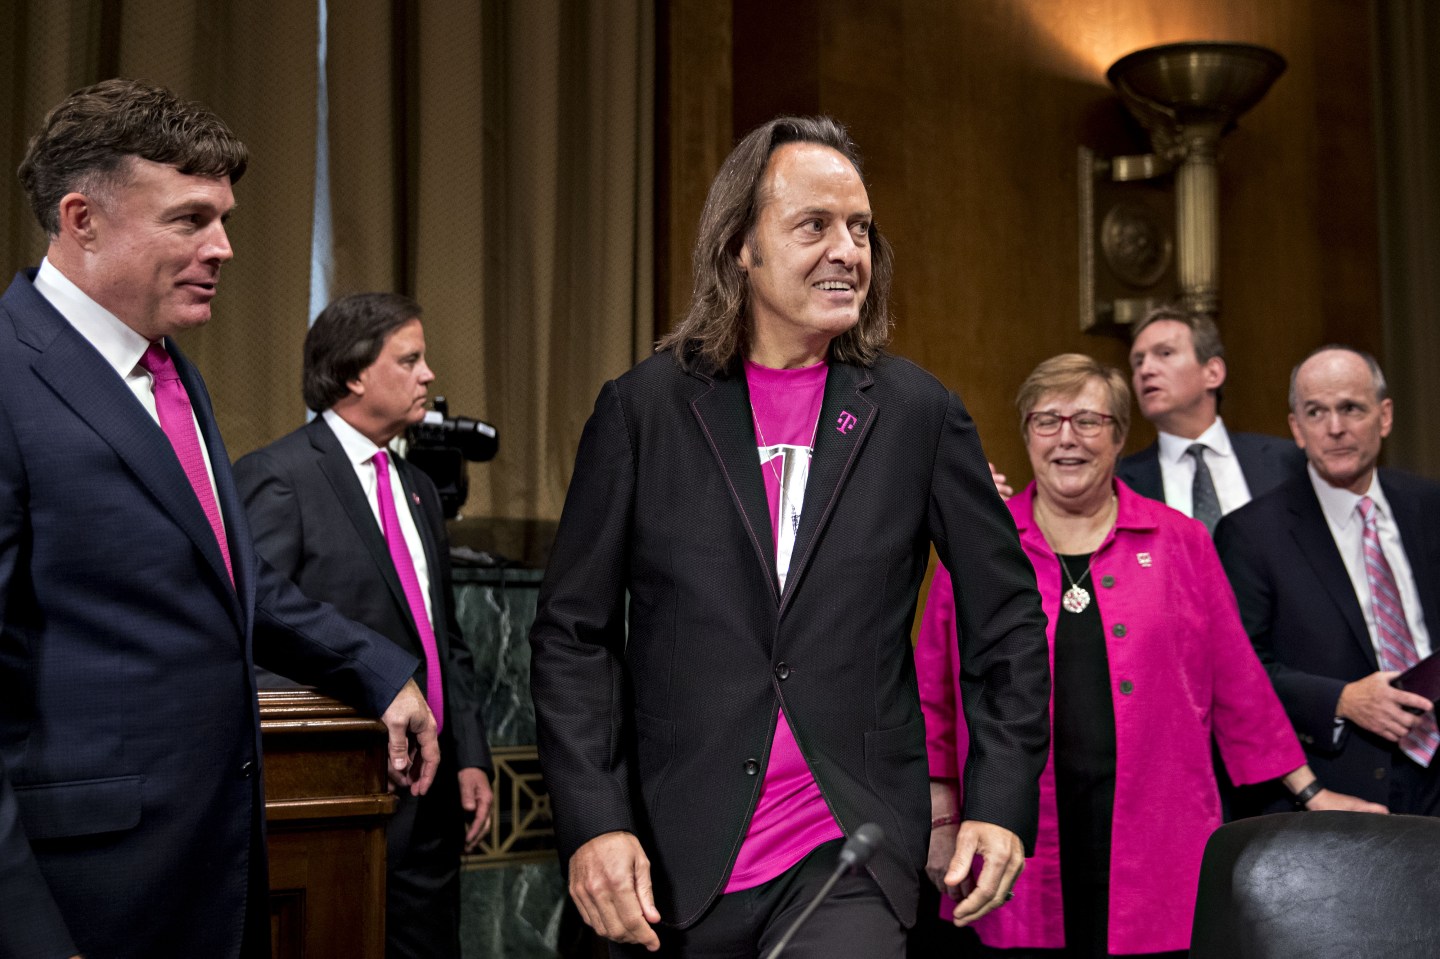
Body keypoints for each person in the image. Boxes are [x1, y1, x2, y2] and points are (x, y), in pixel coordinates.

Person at [529, 115, 1051, 957]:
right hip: (670, 858)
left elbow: (1008, 620)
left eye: (860, 229)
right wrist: (593, 821)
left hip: (850, 848)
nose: (847, 249)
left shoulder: (919, 413)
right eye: (814, 226)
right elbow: (573, 634)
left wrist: (999, 799)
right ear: (741, 244)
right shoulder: (642, 411)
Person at [0, 79, 439, 959]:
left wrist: (378, 668)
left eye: (224, 218)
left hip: (218, 868)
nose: (223, 247)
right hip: (79, 895)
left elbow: (224, 581)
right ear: (82, 219)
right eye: (190, 219)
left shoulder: (173, 374)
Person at [917, 353, 1383, 958]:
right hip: (1017, 834)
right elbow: (932, 691)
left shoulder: (1180, 541)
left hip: (1159, 832)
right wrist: (938, 817)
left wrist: (1310, 791)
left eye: (1088, 420)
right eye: (1047, 420)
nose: (1067, 439)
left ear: (1118, 435)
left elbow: (1238, 682)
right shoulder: (984, 548)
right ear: (1026, 432)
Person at [234, 292, 494, 959]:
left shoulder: (418, 488)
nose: (429, 375)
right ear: (353, 374)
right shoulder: (278, 477)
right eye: (409, 360)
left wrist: (471, 755)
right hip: (342, 787)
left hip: (432, 794)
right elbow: (257, 627)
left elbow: (446, 636)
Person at [1216, 346, 1440, 814]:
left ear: (1384, 416)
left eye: (1350, 409)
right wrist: (1342, 699)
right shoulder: (1253, 533)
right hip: (1342, 789)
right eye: (1315, 412)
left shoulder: (1427, 504)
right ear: (1296, 429)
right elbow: (1240, 671)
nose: (1334, 428)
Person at [1117, 305, 1304, 533]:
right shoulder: (1119, 482)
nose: (1146, 370)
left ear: (1212, 373)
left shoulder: (1287, 460)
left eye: (1165, 353)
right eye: (1138, 362)